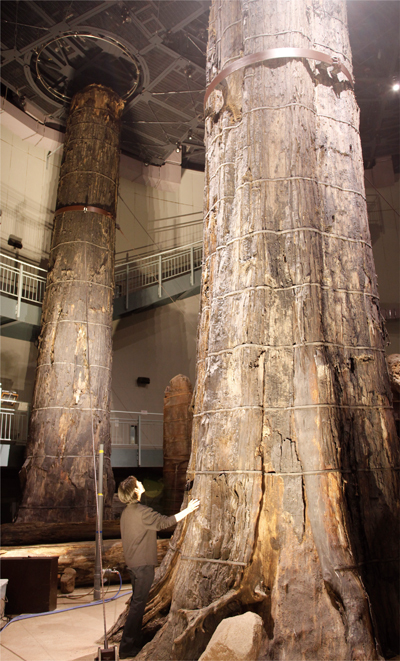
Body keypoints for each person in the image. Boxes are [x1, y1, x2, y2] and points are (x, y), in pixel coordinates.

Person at [118, 475, 200, 659]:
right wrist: (188, 510)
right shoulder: (142, 512)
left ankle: (133, 642)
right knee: (138, 606)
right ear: (135, 491)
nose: (141, 483)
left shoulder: (127, 512)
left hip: (133, 564)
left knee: (137, 604)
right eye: (138, 483)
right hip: (143, 564)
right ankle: (126, 647)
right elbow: (165, 522)